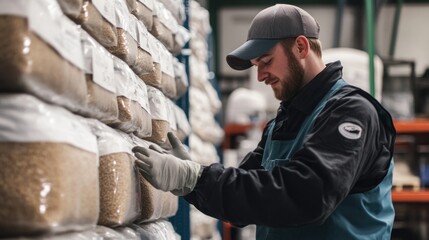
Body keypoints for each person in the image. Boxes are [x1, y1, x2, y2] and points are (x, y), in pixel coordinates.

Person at [133, 4, 396, 239]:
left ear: (301, 47)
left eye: (266, 61)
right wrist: (189, 179)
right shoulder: (281, 123)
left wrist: (195, 178)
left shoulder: (351, 112)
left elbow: (308, 196)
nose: (260, 76)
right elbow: (245, 203)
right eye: (256, 65)